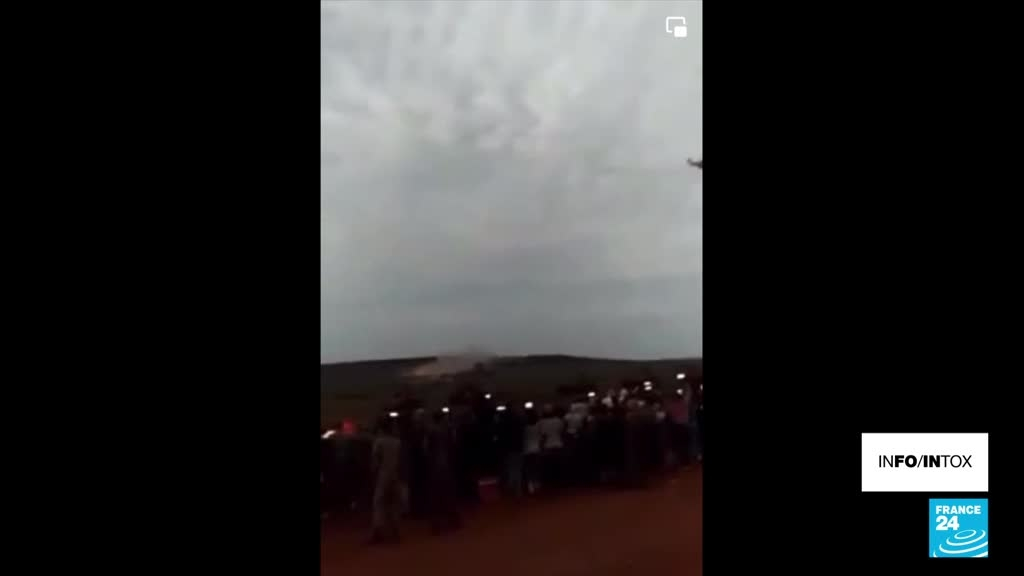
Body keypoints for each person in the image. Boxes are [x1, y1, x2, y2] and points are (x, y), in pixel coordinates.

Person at [426, 411, 460, 532]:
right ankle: (452, 520)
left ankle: (437, 523)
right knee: (448, 494)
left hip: (435, 467)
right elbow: (453, 446)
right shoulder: (447, 430)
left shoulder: (431, 431)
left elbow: (426, 449)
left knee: (436, 496)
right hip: (445, 467)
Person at [370, 417, 403, 543]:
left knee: (379, 503)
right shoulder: (397, 442)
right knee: (394, 503)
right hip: (395, 474)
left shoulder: (379, 442)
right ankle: (395, 531)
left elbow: (375, 461)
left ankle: (378, 532)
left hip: (383, 474)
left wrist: (373, 474)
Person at [538, 404, 565, 490]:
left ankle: (550, 484)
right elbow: (562, 432)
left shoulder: (541, 422)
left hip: (548, 447)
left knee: (548, 468)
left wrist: (541, 447)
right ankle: (558, 483)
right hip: (558, 445)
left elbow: (543, 436)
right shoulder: (558, 421)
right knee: (558, 467)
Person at [523, 409, 542, 495]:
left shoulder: (524, 428)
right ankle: (536, 483)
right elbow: (541, 437)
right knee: (536, 468)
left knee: (529, 468)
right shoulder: (538, 426)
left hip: (527, 450)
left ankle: (530, 484)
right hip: (536, 449)